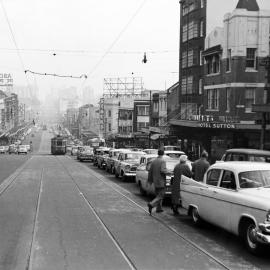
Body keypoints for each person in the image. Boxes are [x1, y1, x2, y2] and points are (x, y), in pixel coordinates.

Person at [147, 149, 167, 215]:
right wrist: (169, 172)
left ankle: (159, 208)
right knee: (161, 195)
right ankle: (151, 204)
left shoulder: (154, 161)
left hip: (155, 181)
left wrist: (150, 180)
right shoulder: (163, 161)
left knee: (158, 194)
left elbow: (150, 172)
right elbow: (163, 170)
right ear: (163, 154)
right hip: (161, 181)